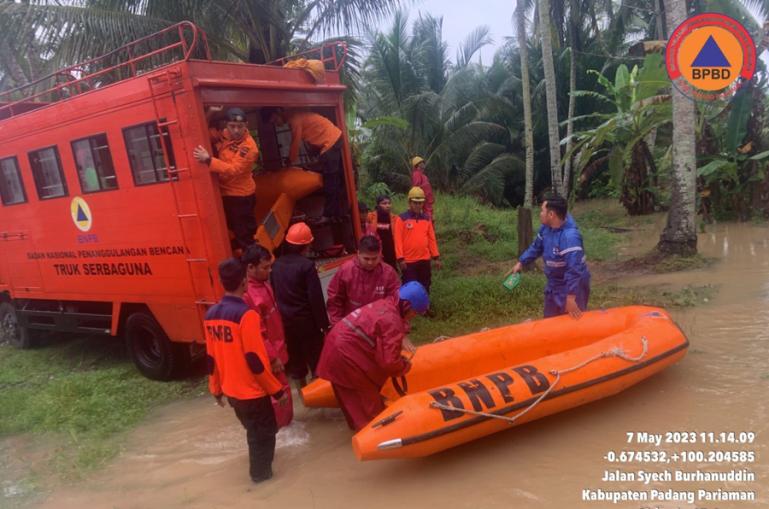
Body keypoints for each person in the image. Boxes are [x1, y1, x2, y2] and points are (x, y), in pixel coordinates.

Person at [204, 258, 288, 483]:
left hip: (232, 392)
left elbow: (210, 359)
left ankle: (260, 477)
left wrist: (215, 389)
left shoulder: (210, 315)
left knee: (254, 433)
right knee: (264, 436)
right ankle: (261, 483)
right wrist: (277, 391)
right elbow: (255, 361)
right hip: (253, 393)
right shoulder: (247, 316)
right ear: (244, 282)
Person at [316, 281, 429, 431]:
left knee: (350, 402)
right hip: (347, 357)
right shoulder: (392, 320)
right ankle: (379, 440)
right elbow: (389, 362)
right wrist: (404, 365)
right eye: (414, 313)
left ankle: (359, 434)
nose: (413, 317)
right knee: (372, 411)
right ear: (406, 306)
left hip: (333, 349)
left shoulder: (385, 304)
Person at [507, 195, 591, 319]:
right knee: (550, 320)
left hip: (573, 285)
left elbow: (574, 269)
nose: (540, 214)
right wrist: (521, 262)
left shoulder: (570, 238)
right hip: (554, 283)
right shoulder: (546, 228)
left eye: (542, 211)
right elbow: (536, 247)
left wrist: (571, 297)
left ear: (551, 214)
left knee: (572, 322)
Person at [270, 222, 329, 387]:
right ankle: (318, 395)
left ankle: (303, 396)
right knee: (316, 360)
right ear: (307, 244)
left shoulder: (276, 265)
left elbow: (275, 292)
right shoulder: (307, 266)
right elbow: (315, 298)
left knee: (295, 360)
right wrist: (323, 325)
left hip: (286, 322)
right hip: (307, 322)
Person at [261, 107, 345, 223]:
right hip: (333, 138)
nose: (277, 124)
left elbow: (295, 143)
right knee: (334, 180)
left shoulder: (294, 120)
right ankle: (336, 214)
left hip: (330, 141)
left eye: (275, 120)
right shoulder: (295, 115)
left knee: (330, 181)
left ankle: (329, 215)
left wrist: (289, 162)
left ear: (279, 112)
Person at [241, 244, 293, 428]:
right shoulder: (249, 296)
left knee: (283, 394)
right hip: (270, 356)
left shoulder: (264, 285)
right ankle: (282, 432)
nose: (269, 271)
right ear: (250, 267)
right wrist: (272, 358)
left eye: (270, 266)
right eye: (265, 267)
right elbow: (258, 332)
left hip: (278, 350)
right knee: (278, 396)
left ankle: (286, 427)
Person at [193, 108, 258, 252]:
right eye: (232, 126)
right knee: (230, 230)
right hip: (226, 194)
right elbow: (198, 131)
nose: (236, 130)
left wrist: (208, 160)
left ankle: (253, 264)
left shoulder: (249, 147)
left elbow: (233, 170)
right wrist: (210, 112)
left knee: (245, 236)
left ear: (246, 125)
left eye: (240, 127)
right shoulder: (224, 135)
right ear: (226, 126)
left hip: (241, 197)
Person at [326, 235, 401, 328]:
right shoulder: (346, 271)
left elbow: (395, 300)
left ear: (380, 254)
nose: (370, 262)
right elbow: (335, 300)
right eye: (366, 258)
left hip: (379, 325)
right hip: (352, 327)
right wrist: (337, 325)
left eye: (374, 258)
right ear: (358, 254)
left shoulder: (388, 272)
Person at [394, 187, 441, 293]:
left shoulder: (426, 218)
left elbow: (431, 239)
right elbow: (398, 240)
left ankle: (424, 306)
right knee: (410, 286)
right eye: (415, 202)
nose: (418, 205)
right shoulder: (401, 219)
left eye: (420, 203)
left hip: (424, 259)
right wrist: (400, 259)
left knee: (425, 284)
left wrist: (436, 257)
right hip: (408, 261)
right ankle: (410, 308)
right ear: (409, 202)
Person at [366, 195, 398, 269]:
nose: (387, 205)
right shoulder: (370, 217)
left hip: (391, 251)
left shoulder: (395, 218)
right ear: (378, 205)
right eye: (384, 203)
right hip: (376, 250)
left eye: (389, 203)